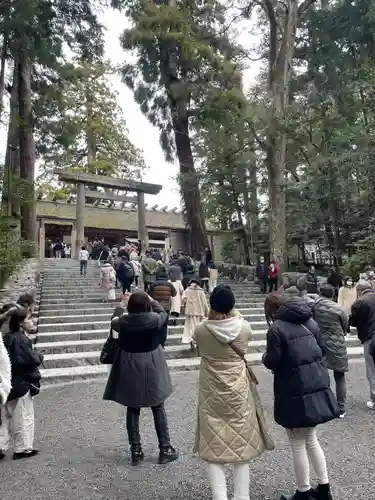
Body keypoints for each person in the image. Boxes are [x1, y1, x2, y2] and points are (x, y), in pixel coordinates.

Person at [194, 285, 274, 500]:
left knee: (213, 445)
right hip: (239, 389)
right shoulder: (244, 327)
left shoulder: (201, 330)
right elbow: (238, 326)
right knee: (241, 442)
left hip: (211, 391)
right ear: (233, 305)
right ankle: (242, 496)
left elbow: (201, 346)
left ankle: (220, 497)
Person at [263, 293, 339, 500]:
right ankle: (324, 488)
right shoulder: (309, 321)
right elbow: (322, 350)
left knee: (297, 443)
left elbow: (272, 361)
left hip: (293, 390)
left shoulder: (276, 329)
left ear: (272, 310)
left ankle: (303, 491)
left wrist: (265, 357)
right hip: (314, 384)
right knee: (312, 439)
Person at [103, 292, 178, 465]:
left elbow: (114, 321)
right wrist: (151, 299)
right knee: (158, 405)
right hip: (152, 362)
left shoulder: (122, 322)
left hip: (130, 363)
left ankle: (135, 450)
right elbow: (163, 314)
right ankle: (165, 448)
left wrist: (121, 305)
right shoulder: (154, 319)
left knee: (132, 406)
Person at [0, 308, 43, 460]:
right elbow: (28, 361)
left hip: (7, 384)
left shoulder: (6, 338)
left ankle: (1, 446)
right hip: (20, 384)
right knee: (23, 417)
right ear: (20, 322)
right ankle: (22, 448)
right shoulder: (21, 339)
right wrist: (38, 356)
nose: (32, 321)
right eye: (29, 319)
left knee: (5, 418)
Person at [313, 283, 349, 417]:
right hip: (337, 344)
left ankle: (324, 405)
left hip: (319, 343)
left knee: (321, 375)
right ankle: (340, 408)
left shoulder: (314, 306)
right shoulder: (338, 308)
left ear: (320, 293)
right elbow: (345, 326)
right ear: (333, 294)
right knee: (339, 376)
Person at [350, 281, 375, 409]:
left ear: (359, 291)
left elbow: (353, 322)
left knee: (372, 370)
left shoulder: (360, 302)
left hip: (370, 338)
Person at [182, 279, 209, 349]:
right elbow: (205, 303)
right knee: (198, 327)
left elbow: (183, 300)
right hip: (199, 312)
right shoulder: (201, 291)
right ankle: (197, 341)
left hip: (189, 312)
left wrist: (185, 305)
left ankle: (191, 340)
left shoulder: (187, 290)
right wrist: (207, 312)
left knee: (190, 327)